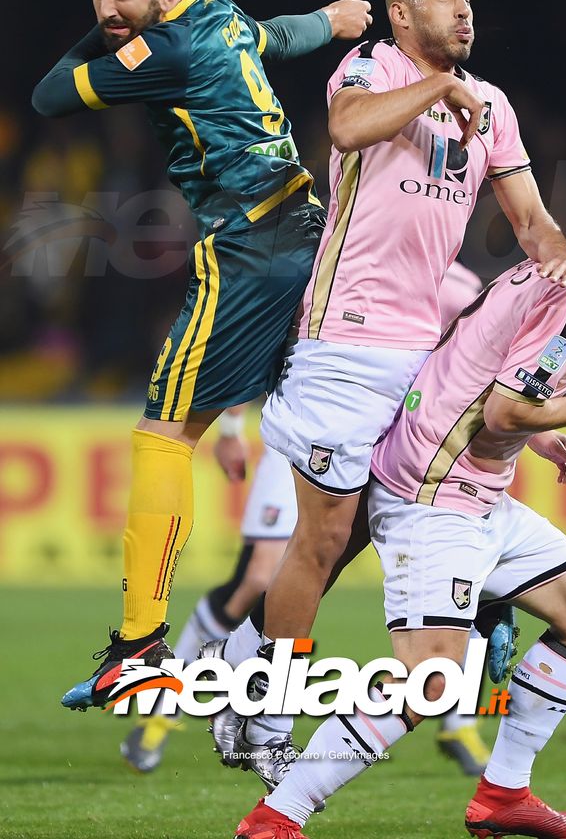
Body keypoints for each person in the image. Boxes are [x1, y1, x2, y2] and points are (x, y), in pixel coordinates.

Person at [214, 0, 566, 786]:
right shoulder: (372, 66)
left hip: (424, 353)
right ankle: (265, 717)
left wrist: (560, 256)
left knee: (351, 540)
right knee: (320, 538)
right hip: (344, 343)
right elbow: (346, 129)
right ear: (402, 13)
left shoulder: (491, 107)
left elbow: (530, 219)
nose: (464, 9)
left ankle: (239, 662)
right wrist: (436, 92)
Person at [233, 173, 566, 839]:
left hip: (477, 493)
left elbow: (470, 363)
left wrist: (541, 432)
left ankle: (503, 794)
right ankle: (277, 815)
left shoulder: (541, 272)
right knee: (430, 682)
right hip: (433, 498)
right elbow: (500, 410)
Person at [31, 0, 372, 711]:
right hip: (307, 229)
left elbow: (49, 97)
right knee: (350, 432)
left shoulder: (165, 50)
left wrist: (110, 38)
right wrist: (331, 20)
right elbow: (275, 36)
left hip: (248, 250)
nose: (108, 9)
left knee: (161, 434)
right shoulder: (214, 12)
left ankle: (140, 647)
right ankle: (488, 596)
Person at [122, 263, 495, 776]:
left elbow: (472, 373)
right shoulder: (339, 258)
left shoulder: (460, 287)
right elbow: (265, 335)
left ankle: (458, 723)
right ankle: (165, 712)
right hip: (310, 424)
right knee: (257, 578)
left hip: (394, 442)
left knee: (444, 568)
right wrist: (231, 422)